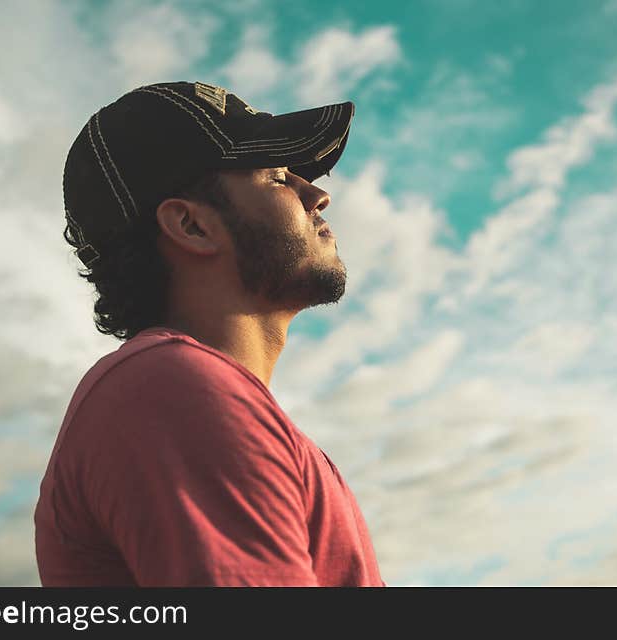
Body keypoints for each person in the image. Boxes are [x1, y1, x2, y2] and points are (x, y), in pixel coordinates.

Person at [34, 81, 385, 586]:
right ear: (192, 226)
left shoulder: (192, 395)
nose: (318, 194)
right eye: (276, 177)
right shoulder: (171, 389)